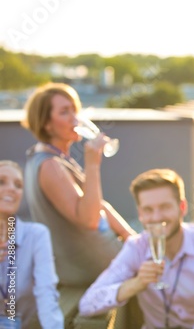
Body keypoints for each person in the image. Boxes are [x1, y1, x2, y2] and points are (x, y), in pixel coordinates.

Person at [78, 168, 194, 329]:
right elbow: (87, 304)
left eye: (165, 207)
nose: (157, 217)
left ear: (182, 207)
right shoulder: (136, 247)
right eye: (148, 209)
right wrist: (136, 283)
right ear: (140, 214)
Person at [21, 82, 137, 286]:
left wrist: (131, 237)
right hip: (89, 271)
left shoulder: (56, 158)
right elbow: (90, 220)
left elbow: (99, 205)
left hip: (104, 261)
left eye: (74, 109)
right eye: (65, 112)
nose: (75, 118)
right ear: (46, 123)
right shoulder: (50, 166)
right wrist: (92, 164)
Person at [0, 160, 63, 328]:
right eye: (1, 182)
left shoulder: (36, 235)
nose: (12, 189)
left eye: (18, 185)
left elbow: (46, 292)